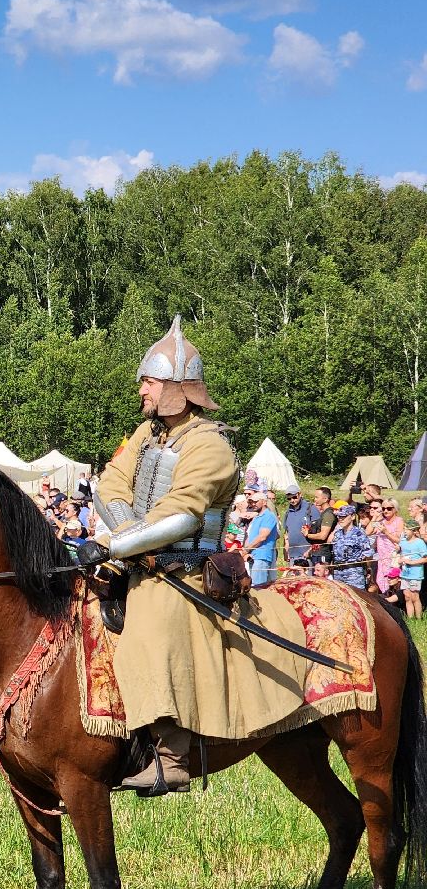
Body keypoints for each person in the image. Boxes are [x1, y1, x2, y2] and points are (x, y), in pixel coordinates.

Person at [80, 316, 296, 796]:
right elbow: (109, 485)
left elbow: (180, 518)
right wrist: (130, 536)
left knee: (152, 623)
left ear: (177, 387)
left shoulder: (210, 446)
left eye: (149, 381)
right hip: (141, 559)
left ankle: (172, 757)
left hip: (186, 573)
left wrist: (114, 544)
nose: (141, 390)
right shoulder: (146, 435)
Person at [242, 487, 280, 588]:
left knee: (258, 588)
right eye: (251, 502)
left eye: (255, 502)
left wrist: (246, 550)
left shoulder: (269, 516)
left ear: (264, 502)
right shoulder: (257, 517)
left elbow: (262, 537)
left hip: (262, 556)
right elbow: (251, 536)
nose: (253, 504)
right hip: (253, 556)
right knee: (252, 587)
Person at [330, 505, 373, 590]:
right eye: (339, 516)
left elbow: (368, 554)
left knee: (356, 598)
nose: (340, 519)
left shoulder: (359, 534)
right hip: (338, 572)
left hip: (354, 573)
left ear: (352, 516)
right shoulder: (338, 534)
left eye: (344, 516)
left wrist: (367, 570)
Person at [282, 484, 316, 566]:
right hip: (292, 556)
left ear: (300, 494)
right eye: (289, 498)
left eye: (294, 497)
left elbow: (318, 531)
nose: (292, 500)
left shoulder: (310, 508)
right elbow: (286, 534)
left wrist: (310, 550)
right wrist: (286, 552)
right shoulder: (288, 513)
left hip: (307, 555)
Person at [398, 520, 425, 619]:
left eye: (407, 529)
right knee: (407, 596)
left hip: (415, 574)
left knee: (414, 597)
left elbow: (425, 558)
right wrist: (401, 559)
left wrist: (411, 562)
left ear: (414, 531)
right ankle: (410, 619)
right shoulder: (403, 541)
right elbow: (401, 553)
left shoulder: (419, 543)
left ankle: (418, 619)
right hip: (405, 573)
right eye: (404, 529)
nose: (405, 531)